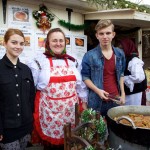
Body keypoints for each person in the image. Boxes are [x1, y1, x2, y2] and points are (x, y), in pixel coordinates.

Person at [27, 28, 88, 148]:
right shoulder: (38, 62)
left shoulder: (73, 62)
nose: (58, 43)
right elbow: (32, 89)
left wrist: (84, 104)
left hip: (71, 112)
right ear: (48, 43)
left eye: (61, 40)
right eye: (54, 40)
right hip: (50, 114)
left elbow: (80, 87)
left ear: (65, 43)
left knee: (70, 143)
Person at [81, 19, 126, 117]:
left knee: (114, 131)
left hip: (115, 100)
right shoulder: (89, 55)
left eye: (108, 33)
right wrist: (98, 91)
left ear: (113, 34)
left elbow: (121, 74)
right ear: (97, 35)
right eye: (101, 34)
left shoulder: (119, 54)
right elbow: (85, 77)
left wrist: (123, 94)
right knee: (96, 131)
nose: (105, 37)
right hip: (96, 101)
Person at [0, 28, 35, 149]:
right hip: (7, 129)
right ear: (4, 43)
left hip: (25, 128)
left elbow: (31, 98)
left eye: (21, 43)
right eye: (14, 42)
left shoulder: (26, 69)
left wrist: (31, 124)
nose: (18, 46)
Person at [117, 38, 147, 105]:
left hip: (135, 94)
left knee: (133, 112)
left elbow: (138, 77)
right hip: (128, 93)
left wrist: (123, 78)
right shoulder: (124, 59)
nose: (120, 51)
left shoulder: (134, 60)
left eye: (122, 48)